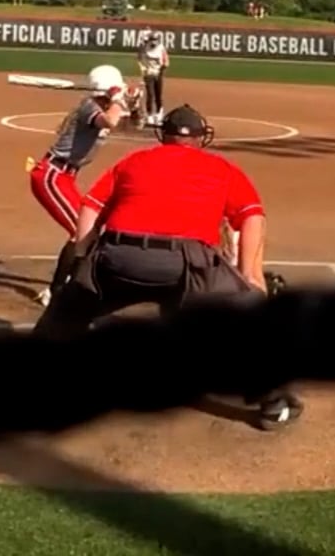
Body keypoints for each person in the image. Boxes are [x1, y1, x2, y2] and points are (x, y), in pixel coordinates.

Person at [37, 103, 302, 430]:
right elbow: (252, 216)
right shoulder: (221, 168)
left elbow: (91, 207)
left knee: (67, 308)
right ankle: (273, 404)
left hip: (120, 257)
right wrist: (251, 275)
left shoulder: (134, 161)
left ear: (164, 135)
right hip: (188, 265)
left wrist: (83, 261)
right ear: (201, 138)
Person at [26, 64, 134, 306]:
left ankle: (71, 283)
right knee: (80, 231)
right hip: (51, 174)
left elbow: (131, 125)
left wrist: (132, 103)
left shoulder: (103, 106)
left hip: (65, 176)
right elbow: (111, 122)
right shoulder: (90, 107)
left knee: (89, 230)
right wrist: (119, 99)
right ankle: (55, 292)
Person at [137, 30, 170, 126]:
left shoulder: (161, 48)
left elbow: (166, 61)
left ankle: (159, 114)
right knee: (150, 95)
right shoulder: (144, 48)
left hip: (158, 74)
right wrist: (143, 68)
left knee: (158, 95)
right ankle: (150, 114)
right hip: (148, 74)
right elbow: (139, 58)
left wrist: (162, 69)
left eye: (155, 40)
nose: (153, 42)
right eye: (152, 39)